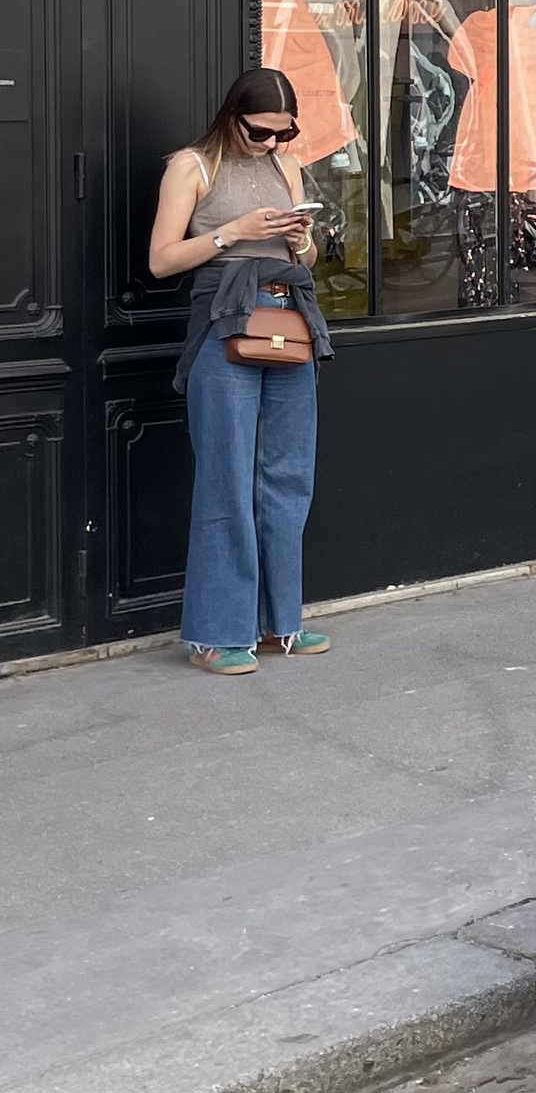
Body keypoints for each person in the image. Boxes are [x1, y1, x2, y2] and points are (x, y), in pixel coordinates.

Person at [147, 67, 335, 675]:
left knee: (288, 474)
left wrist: (302, 238)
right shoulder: (191, 167)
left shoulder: (286, 165)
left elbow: (304, 256)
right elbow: (161, 259)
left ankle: (283, 622)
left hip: (288, 316)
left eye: (285, 133)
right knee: (226, 477)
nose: (274, 144)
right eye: (262, 133)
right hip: (225, 321)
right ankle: (216, 633)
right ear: (234, 117)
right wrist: (236, 232)